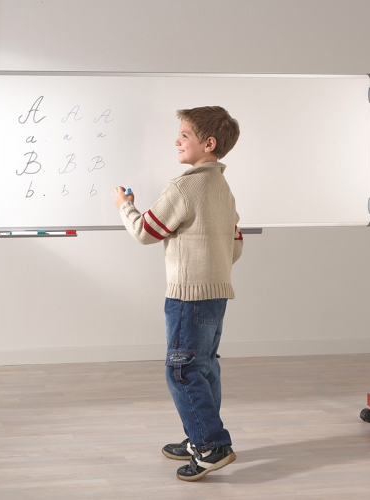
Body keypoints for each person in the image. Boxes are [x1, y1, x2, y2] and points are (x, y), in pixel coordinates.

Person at [114, 106, 244, 482]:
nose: (177, 140)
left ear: (208, 143)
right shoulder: (222, 188)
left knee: (182, 371)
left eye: (184, 135)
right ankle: (199, 436)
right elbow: (235, 244)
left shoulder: (185, 186)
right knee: (203, 368)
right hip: (216, 293)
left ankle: (210, 446)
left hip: (188, 296)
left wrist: (126, 206)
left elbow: (145, 231)